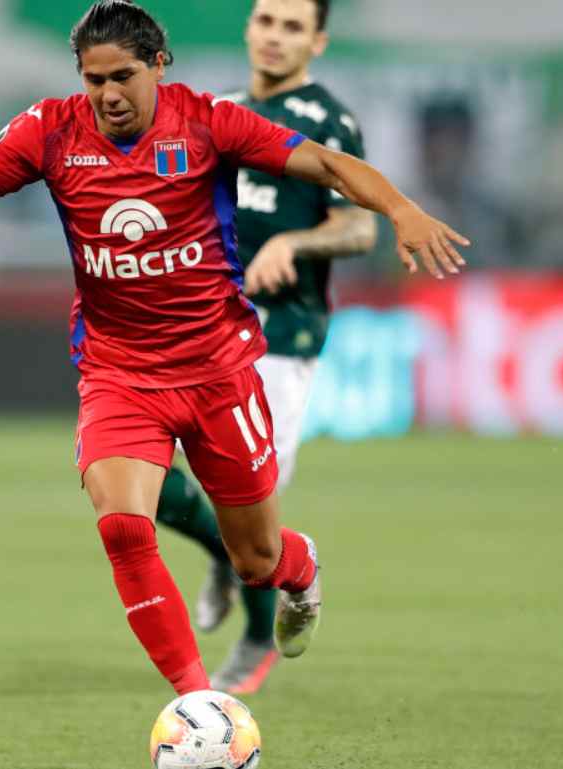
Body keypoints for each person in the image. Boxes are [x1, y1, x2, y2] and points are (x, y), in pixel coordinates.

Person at [0, 0, 466, 696]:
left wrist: (401, 209)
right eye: (94, 80)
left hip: (218, 369)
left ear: (159, 65)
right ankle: (199, 703)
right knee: (123, 528)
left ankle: (301, 566)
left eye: (123, 77)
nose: (109, 95)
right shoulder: (48, 129)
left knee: (257, 559)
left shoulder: (209, 121)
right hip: (119, 371)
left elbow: (327, 164)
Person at [153, 0, 377, 695]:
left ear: (318, 41)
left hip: (281, 333)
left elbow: (359, 229)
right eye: (266, 21)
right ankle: (223, 552)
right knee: (144, 478)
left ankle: (255, 637)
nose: (275, 36)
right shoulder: (216, 112)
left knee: (247, 502)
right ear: (249, 28)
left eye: (292, 26)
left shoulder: (328, 121)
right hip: (200, 325)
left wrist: (293, 242)